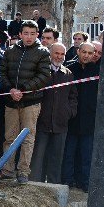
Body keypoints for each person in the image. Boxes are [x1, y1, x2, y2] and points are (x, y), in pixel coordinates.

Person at [0, 20, 52, 184]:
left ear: (37, 34)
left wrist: (23, 89)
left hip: (31, 102)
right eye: (26, 33)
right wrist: (11, 90)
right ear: (20, 34)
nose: (29, 37)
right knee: (9, 137)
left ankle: (23, 171)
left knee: (28, 138)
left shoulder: (43, 52)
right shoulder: (9, 51)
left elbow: (44, 76)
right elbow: (3, 73)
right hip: (11, 101)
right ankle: (7, 170)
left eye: (32, 33)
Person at [29, 44, 77, 184]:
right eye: (56, 53)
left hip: (60, 123)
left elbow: (73, 96)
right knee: (38, 157)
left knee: (57, 158)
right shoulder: (42, 72)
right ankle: (36, 186)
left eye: (62, 54)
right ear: (50, 53)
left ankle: (53, 186)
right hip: (41, 122)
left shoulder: (67, 74)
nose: (59, 57)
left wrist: (69, 112)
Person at [63, 43, 100, 191]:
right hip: (71, 118)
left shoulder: (98, 70)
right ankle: (67, 180)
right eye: (83, 52)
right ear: (78, 51)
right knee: (69, 153)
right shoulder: (69, 68)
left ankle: (85, 182)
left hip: (90, 119)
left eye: (90, 53)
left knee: (86, 154)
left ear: (94, 55)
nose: (86, 55)